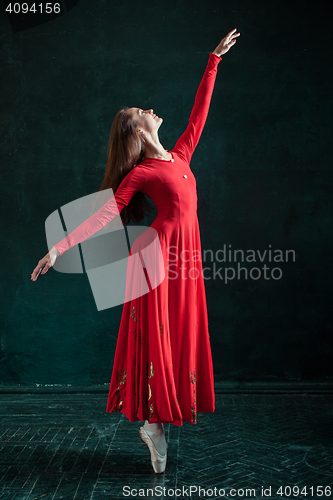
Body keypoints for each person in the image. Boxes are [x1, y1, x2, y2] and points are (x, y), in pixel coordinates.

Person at [31, 28, 240, 474]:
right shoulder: (140, 174)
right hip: (157, 259)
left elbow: (198, 114)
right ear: (137, 129)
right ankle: (151, 423)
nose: (149, 108)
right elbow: (103, 215)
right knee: (158, 340)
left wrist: (213, 61)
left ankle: (157, 424)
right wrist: (60, 247)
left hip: (184, 260)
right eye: (141, 111)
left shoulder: (180, 156)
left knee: (179, 334)